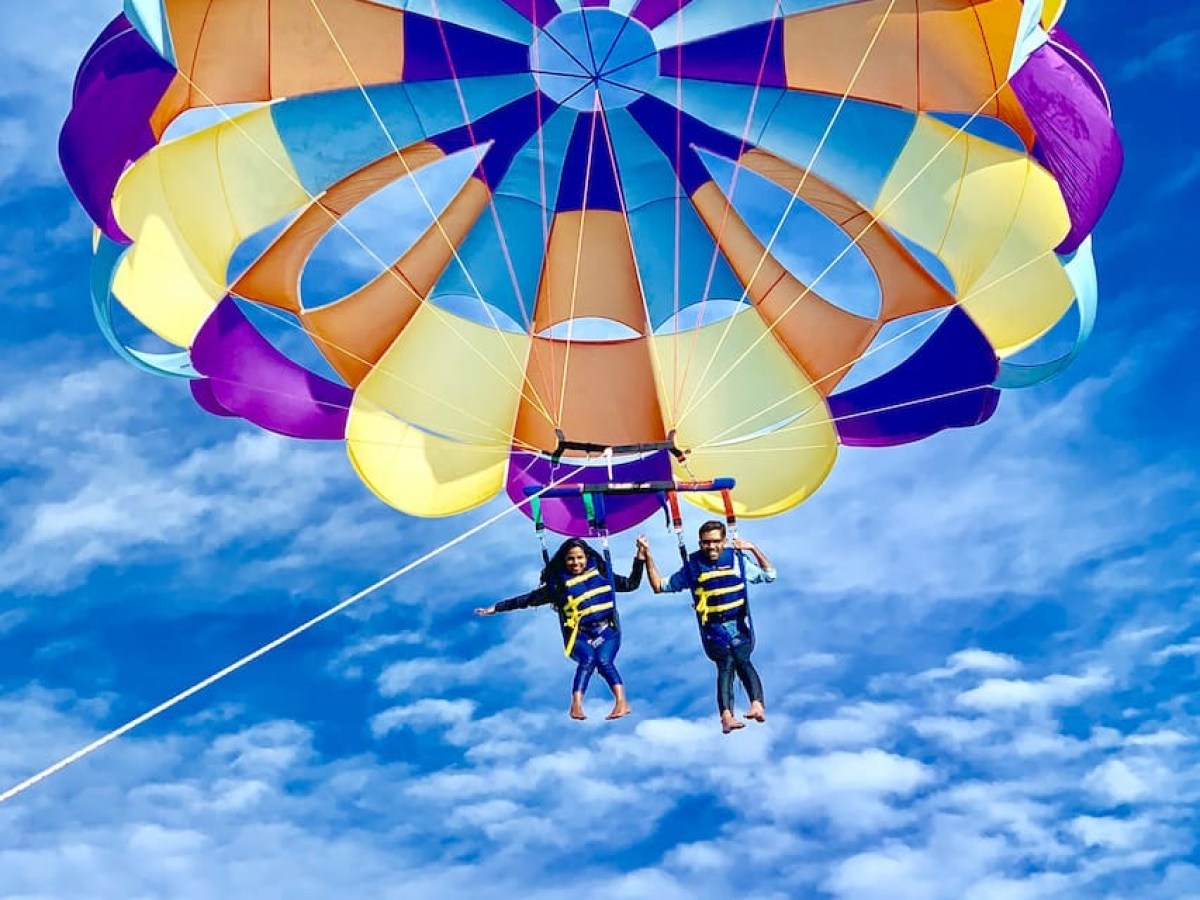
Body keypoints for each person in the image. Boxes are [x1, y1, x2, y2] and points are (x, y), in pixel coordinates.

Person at [475, 537, 644, 721]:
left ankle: (621, 702)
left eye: (579, 557)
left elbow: (631, 584)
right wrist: (496, 608)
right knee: (587, 660)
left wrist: (640, 559)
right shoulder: (557, 586)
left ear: (587, 557)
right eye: (570, 559)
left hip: (607, 631)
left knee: (604, 662)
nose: (575, 562)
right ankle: (576, 705)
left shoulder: (602, 574)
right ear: (564, 561)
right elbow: (525, 600)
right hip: (580, 636)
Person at [641, 522, 774, 733]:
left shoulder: (737, 560)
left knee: (743, 660)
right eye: (706, 542)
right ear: (700, 543)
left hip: (738, 625)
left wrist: (752, 548)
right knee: (726, 664)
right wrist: (647, 557)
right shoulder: (693, 567)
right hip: (714, 630)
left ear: (724, 541)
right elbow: (659, 586)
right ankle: (726, 717)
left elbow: (769, 575)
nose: (711, 546)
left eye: (715, 541)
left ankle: (756, 706)